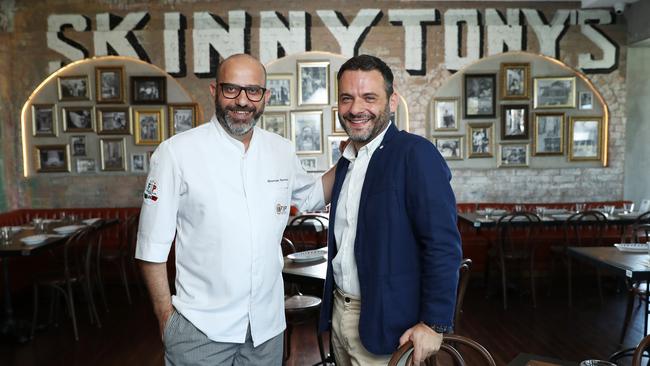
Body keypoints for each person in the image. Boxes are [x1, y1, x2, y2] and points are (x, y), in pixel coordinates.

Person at [135, 53, 335, 366]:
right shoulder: (176, 153)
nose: (242, 101)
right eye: (232, 89)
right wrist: (166, 317)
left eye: (253, 91)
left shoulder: (280, 150)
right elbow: (151, 247)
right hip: (200, 329)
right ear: (214, 91)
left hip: (266, 331)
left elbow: (311, 196)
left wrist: (352, 151)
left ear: (265, 97)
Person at [318, 54, 462, 366]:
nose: (356, 109)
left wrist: (434, 323)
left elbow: (443, 244)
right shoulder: (348, 159)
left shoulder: (416, 154)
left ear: (392, 101)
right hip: (340, 313)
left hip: (387, 322)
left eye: (369, 97)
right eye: (347, 98)